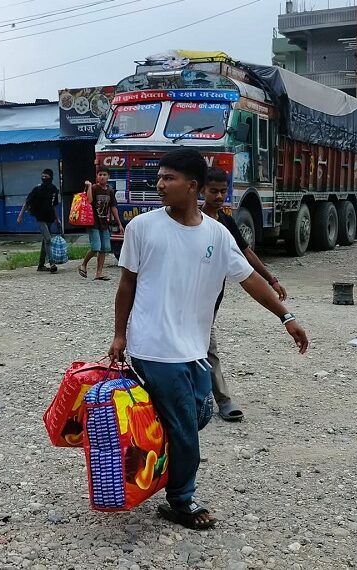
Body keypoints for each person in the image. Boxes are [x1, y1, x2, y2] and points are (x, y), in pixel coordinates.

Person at [108, 148, 309, 531]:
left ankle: (157, 459)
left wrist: (287, 315)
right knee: (186, 426)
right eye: (160, 177)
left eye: (169, 178)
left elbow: (249, 278)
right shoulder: (142, 227)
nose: (160, 184)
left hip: (195, 347)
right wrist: (120, 335)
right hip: (153, 345)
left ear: (193, 186)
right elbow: (127, 284)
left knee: (198, 415)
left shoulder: (217, 233)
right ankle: (181, 500)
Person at [200, 167, 287, 422]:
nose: (218, 196)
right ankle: (218, 400)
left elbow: (245, 255)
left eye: (222, 191)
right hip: (184, 301)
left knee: (206, 349)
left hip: (210, 303)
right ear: (201, 190)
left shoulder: (225, 223)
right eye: (213, 191)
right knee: (202, 350)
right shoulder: (192, 220)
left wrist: (271, 279)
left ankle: (215, 401)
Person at [78, 168, 123, 281]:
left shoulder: (110, 191)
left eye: (104, 174)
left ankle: (99, 272)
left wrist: (119, 223)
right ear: (97, 176)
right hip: (93, 223)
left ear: (108, 177)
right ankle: (83, 264)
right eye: (100, 174)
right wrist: (88, 187)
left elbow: (113, 207)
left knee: (105, 248)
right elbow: (89, 200)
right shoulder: (94, 188)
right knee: (95, 247)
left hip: (104, 223)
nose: (102, 177)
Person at [17, 168, 60, 273]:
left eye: (46, 176)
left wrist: (57, 218)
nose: (44, 178)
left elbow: (53, 205)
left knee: (45, 241)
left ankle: (41, 265)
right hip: (40, 217)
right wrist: (20, 216)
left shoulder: (54, 190)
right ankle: (52, 263)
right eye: (43, 176)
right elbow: (27, 203)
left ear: (51, 177)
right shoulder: (37, 189)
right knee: (48, 239)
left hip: (49, 217)